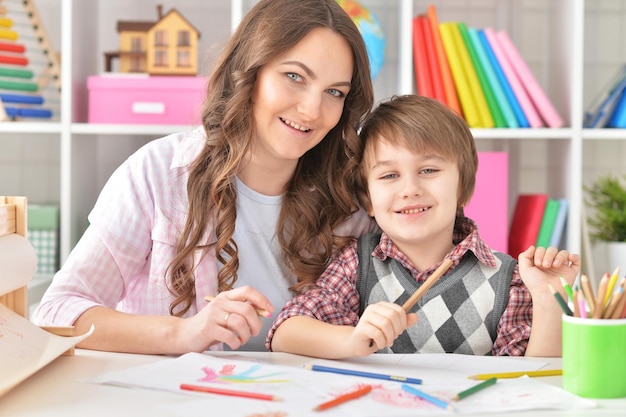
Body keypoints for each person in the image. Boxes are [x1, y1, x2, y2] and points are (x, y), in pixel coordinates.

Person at [33, 0, 377, 354]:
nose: (312, 110)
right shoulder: (156, 175)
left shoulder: (348, 200)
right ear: (249, 71)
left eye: (334, 92)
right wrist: (183, 334)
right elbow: (56, 314)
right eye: (294, 77)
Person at [267, 95, 580, 358]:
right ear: (369, 201)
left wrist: (549, 298)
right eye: (389, 176)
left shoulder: (508, 280)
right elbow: (285, 331)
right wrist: (350, 339)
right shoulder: (355, 264)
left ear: (463, 188)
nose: (409, 189)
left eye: (428, 170)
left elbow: (535, 379)